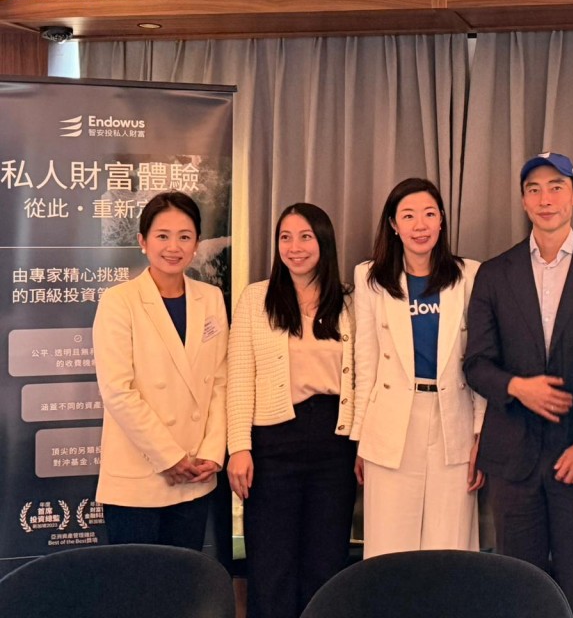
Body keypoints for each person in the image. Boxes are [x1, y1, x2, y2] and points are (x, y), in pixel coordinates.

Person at [464, 152, 573, 618]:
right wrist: (518, 388)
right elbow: (476, 364)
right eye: (534, 189)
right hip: (513, 461)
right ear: (523, 200)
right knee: (517, 593)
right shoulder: (494, 272)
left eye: (556, 187)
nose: (545, 198)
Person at [225, 203, 357, 618]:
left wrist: (363, 442)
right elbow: (240, 376)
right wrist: (238, 447)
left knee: (326, 561)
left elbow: (365, 378)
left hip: (334, 446)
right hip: (273, 443)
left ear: (324, 243)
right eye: (286, 237)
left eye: (305, 237)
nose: (295, 247)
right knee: (271, 564)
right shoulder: (256, 298)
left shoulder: (351, 302)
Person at [352, 177, 485, 557]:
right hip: (392, 422)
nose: (420, 225)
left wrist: (480, 434)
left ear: (441, 220)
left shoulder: (469, 275)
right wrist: (361, 439)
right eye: (408, 216)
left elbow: (481, 359)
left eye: (429, 214)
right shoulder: (370, 278)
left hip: (452, 420)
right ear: (393, 225)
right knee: (389, 548)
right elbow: (366, 361)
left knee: (450, 546)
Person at [93, 191, 228, 550]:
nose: (174, 246)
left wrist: (212, 453)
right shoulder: (119, 301)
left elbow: (220, 380)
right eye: (162, 236)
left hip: (196, 473)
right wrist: (170, 458)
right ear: (142, 241)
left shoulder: (210, 298)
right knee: (137, 591)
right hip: (139, 475)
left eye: (185, 236)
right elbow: (118, 391)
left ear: (197, 243)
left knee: (183, 588)